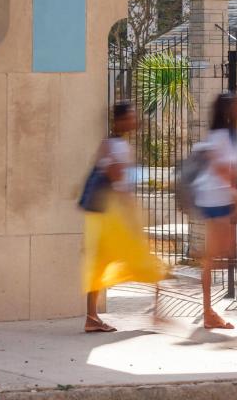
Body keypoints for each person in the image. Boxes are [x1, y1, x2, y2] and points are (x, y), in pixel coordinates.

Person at [82, 100, 168, 333]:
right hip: (115, 217)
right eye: (130, 116)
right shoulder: (117, 147)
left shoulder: (109, 144)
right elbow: (120, 184)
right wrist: (132, 218)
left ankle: (92, 316)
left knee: (100, 265)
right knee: (145, 261)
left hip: (105, 216)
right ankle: (158, 314)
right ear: (119, 121)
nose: (134, 120)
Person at [192, 92, 237, 329]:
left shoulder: (224, 135)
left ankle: (208, 310)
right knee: (218, 254)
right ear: (227, 111)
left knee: (218, 255)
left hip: (215, 197)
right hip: (216, 199)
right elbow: (222, 167)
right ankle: (208, 312)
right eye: (236, 105)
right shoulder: (223, 136)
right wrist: (235, 194)